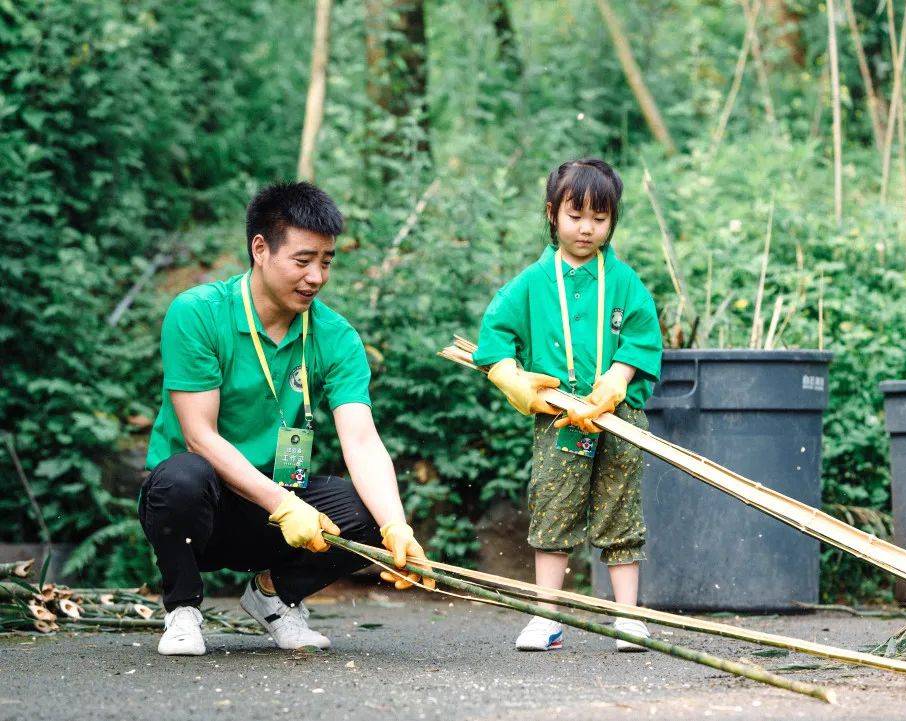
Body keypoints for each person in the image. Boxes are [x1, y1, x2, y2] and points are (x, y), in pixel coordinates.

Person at [139, 181, 433, 656]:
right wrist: (283, 504)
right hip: (202, 505)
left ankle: (274, 596)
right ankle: (182, 608)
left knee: (363, 510)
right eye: (303, 260)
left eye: (327, 261)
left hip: (274, 504)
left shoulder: (335, 336)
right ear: (260, 249)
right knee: (181, 479)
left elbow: (360, 441)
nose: (316, 276)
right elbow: (198, 436)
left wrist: (396, 527)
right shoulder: (197, 313)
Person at [472, 158, 662, 652]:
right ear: (553, 213)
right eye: (576, 215)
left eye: (600, 218)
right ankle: (545, 617)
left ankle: (628, 617)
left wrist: (616, 382)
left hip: (618, 418)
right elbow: (493, 338)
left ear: (612, 221)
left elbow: (642, 338)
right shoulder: (532, 281)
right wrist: (511, 377)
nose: (587, 228)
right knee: (553, 509)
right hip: (559, 417)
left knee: (621, 509)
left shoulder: (623, 281)